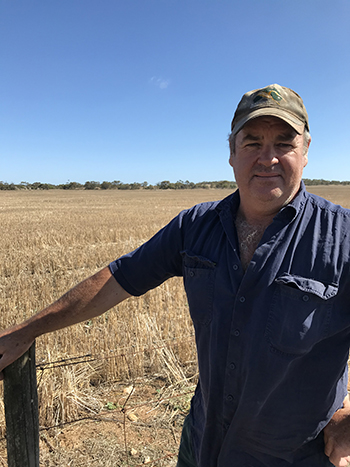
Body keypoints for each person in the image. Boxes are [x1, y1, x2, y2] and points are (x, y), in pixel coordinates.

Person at [0, 84, 350, 467]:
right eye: (252, 143)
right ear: (231, 153)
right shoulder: (195, 227)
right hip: (202, 445)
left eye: (284, 143)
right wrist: (26, 331)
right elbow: (117, 279)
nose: (267, 158)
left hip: (293, 457)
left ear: (306, 150)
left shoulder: (343, 239)